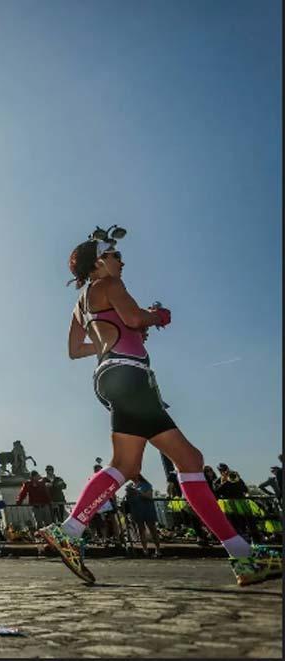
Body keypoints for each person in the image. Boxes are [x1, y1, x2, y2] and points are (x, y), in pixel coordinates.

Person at [40, 230, 281, 586]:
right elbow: (136, 319)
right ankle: (242, 557)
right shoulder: (110, 285)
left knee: (149, 462)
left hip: (109, 376)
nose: (122, 261)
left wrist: (118, 335)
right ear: (99, 262)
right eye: (115, 255)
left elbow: (77, 350)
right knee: (180, 462)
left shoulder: (80, 303)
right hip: (132, 376)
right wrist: (156, 316)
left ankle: (72, 529)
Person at [125, 475, 161, 557]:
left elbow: (149, 496)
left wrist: (138, 492)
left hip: (148, 509)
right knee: (141, 530)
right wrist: (128, 492)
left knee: (153, 529)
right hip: (137, 510)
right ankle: (145, 550)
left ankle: (158, 550)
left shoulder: (146, 485)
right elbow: (129, 499)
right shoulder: (131, 485)